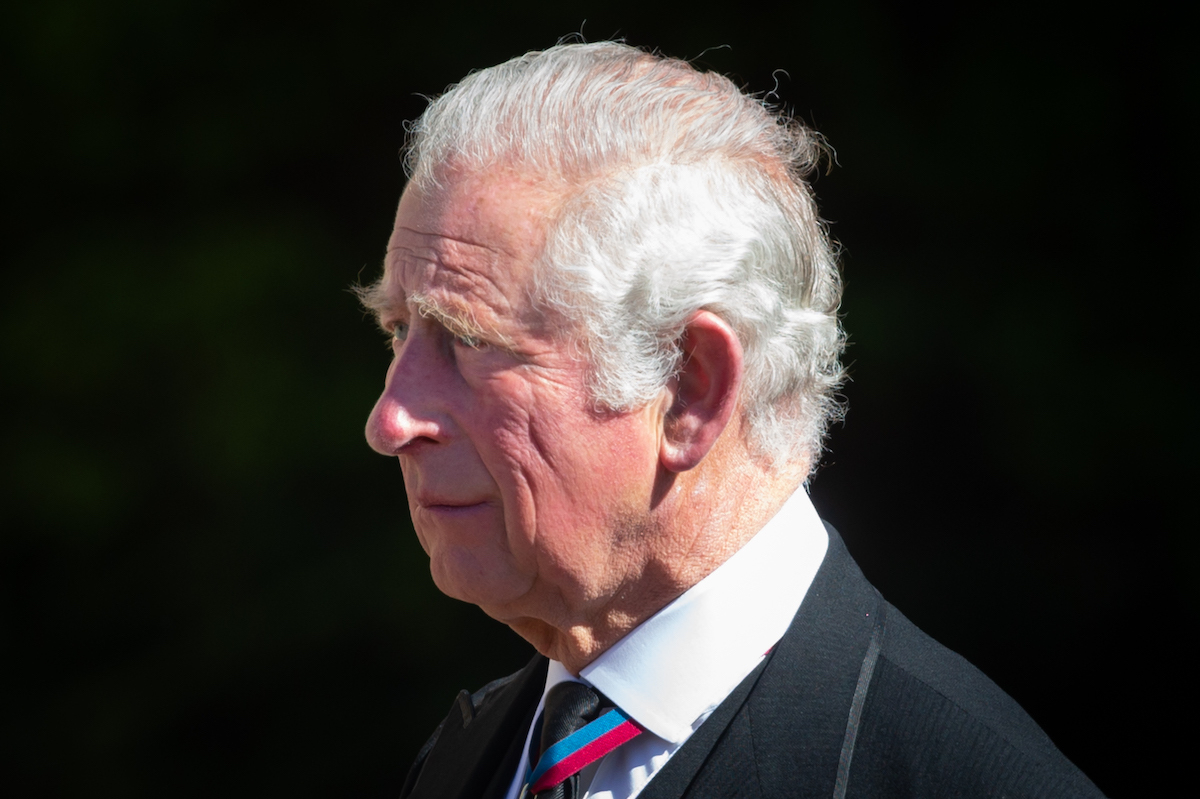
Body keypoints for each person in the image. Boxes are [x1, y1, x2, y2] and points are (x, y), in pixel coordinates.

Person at [358, 41, 1104, 799]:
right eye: (396, 330)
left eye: (470, 338)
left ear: (690, 390)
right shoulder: (469, 759)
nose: (389, 420)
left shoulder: (964, 778)